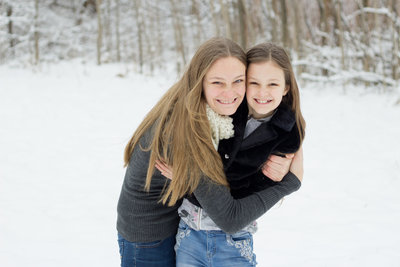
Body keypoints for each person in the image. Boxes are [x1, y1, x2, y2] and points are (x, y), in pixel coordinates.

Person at [117, 38, 301, 267]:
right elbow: (229, 217)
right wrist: (291, 182)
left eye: (238, 81)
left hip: (177, 223)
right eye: (217, 82)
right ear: (199, 81)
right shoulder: (188, 127)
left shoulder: (216, 114)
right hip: (148, 236)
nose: (229, 92)